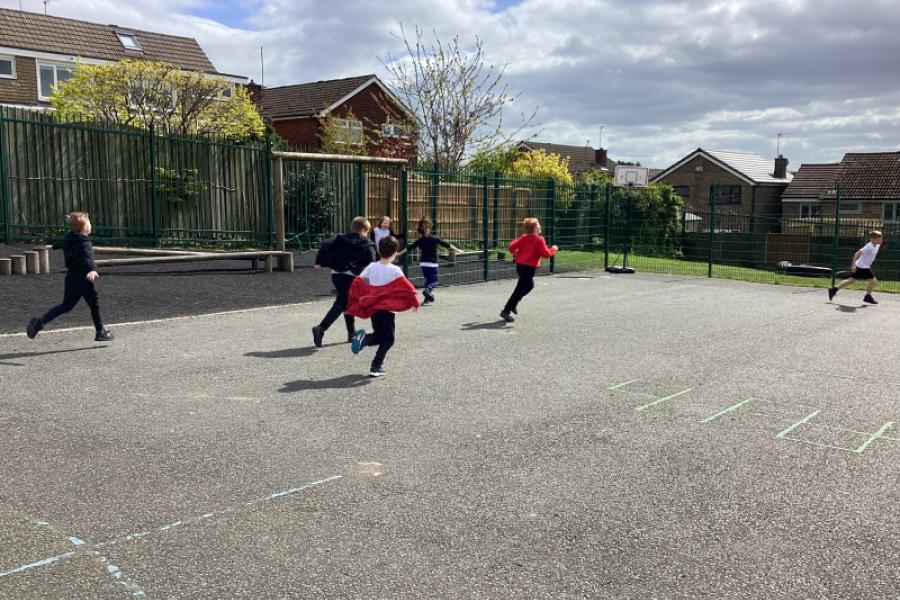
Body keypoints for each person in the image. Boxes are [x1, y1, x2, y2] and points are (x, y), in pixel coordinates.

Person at [27, 212, 113, 341]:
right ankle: (100, 331)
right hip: (84, 278)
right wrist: (92, 270)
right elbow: (88, 258)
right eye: (89, 223)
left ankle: (39, 323)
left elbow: (62, 243)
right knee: (94, 305)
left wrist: (52, 246)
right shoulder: (85, 242)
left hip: (71, 277)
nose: (90, 225)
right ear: (84, 227)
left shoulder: (70, 238)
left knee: (66, 305)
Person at [347, 236, 419, 377]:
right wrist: (415, 302)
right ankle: (376, 365)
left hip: (374, 309)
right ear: (395, 253)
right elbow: (408, 288)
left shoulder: (371, 267)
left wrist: (366, 293)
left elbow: (359, 282)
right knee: (389, 339)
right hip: (387, 310)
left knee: (380, 336)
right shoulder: (395, 270)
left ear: (379, 251)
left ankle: (364, 340)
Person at [312, 216, 377, 347]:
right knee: (342, 302)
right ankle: (321, 328)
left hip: (336, 274)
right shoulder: (366, 242)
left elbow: (325, 245)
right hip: (351, 276)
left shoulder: (339, 238)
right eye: (368, 231)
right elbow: (372, 260)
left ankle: (351, 333)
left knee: (347, 302)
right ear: (364, 230)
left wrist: (319, 262)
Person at [500, 218, 558, 322]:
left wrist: (517, 250)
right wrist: (553, 249)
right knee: (519, 290)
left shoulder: (523, 237)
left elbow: (511, 248)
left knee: (529, 286)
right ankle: (506, 310)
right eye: (538, 224)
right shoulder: (539, 239)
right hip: (529, 268)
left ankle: (513, 304)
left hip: (520, 266)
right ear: (535, 228)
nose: (540, 226)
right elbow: (546, 254)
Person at [405, 217, 464, 305]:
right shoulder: (435, 238)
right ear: (429, 228)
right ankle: (428, 290)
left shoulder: (420, 240)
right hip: (432, 264)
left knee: (428, 280)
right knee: (434, 281)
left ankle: (426, 300)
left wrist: (398, 253)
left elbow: (409, 247)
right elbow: (447, 245)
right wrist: (458, 250)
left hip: (423, 264)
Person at [829, 230, 883, 304]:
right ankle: (868, 296)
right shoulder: (869, 246)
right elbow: (857, 254)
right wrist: (853, 265)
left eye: (881, 238)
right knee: (873, 281)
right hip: (862, 267)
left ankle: (833, 290)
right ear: (872, 239)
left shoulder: (877, 245)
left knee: (851, 281)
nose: (881, 240)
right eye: (879, 238)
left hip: (861, 266)